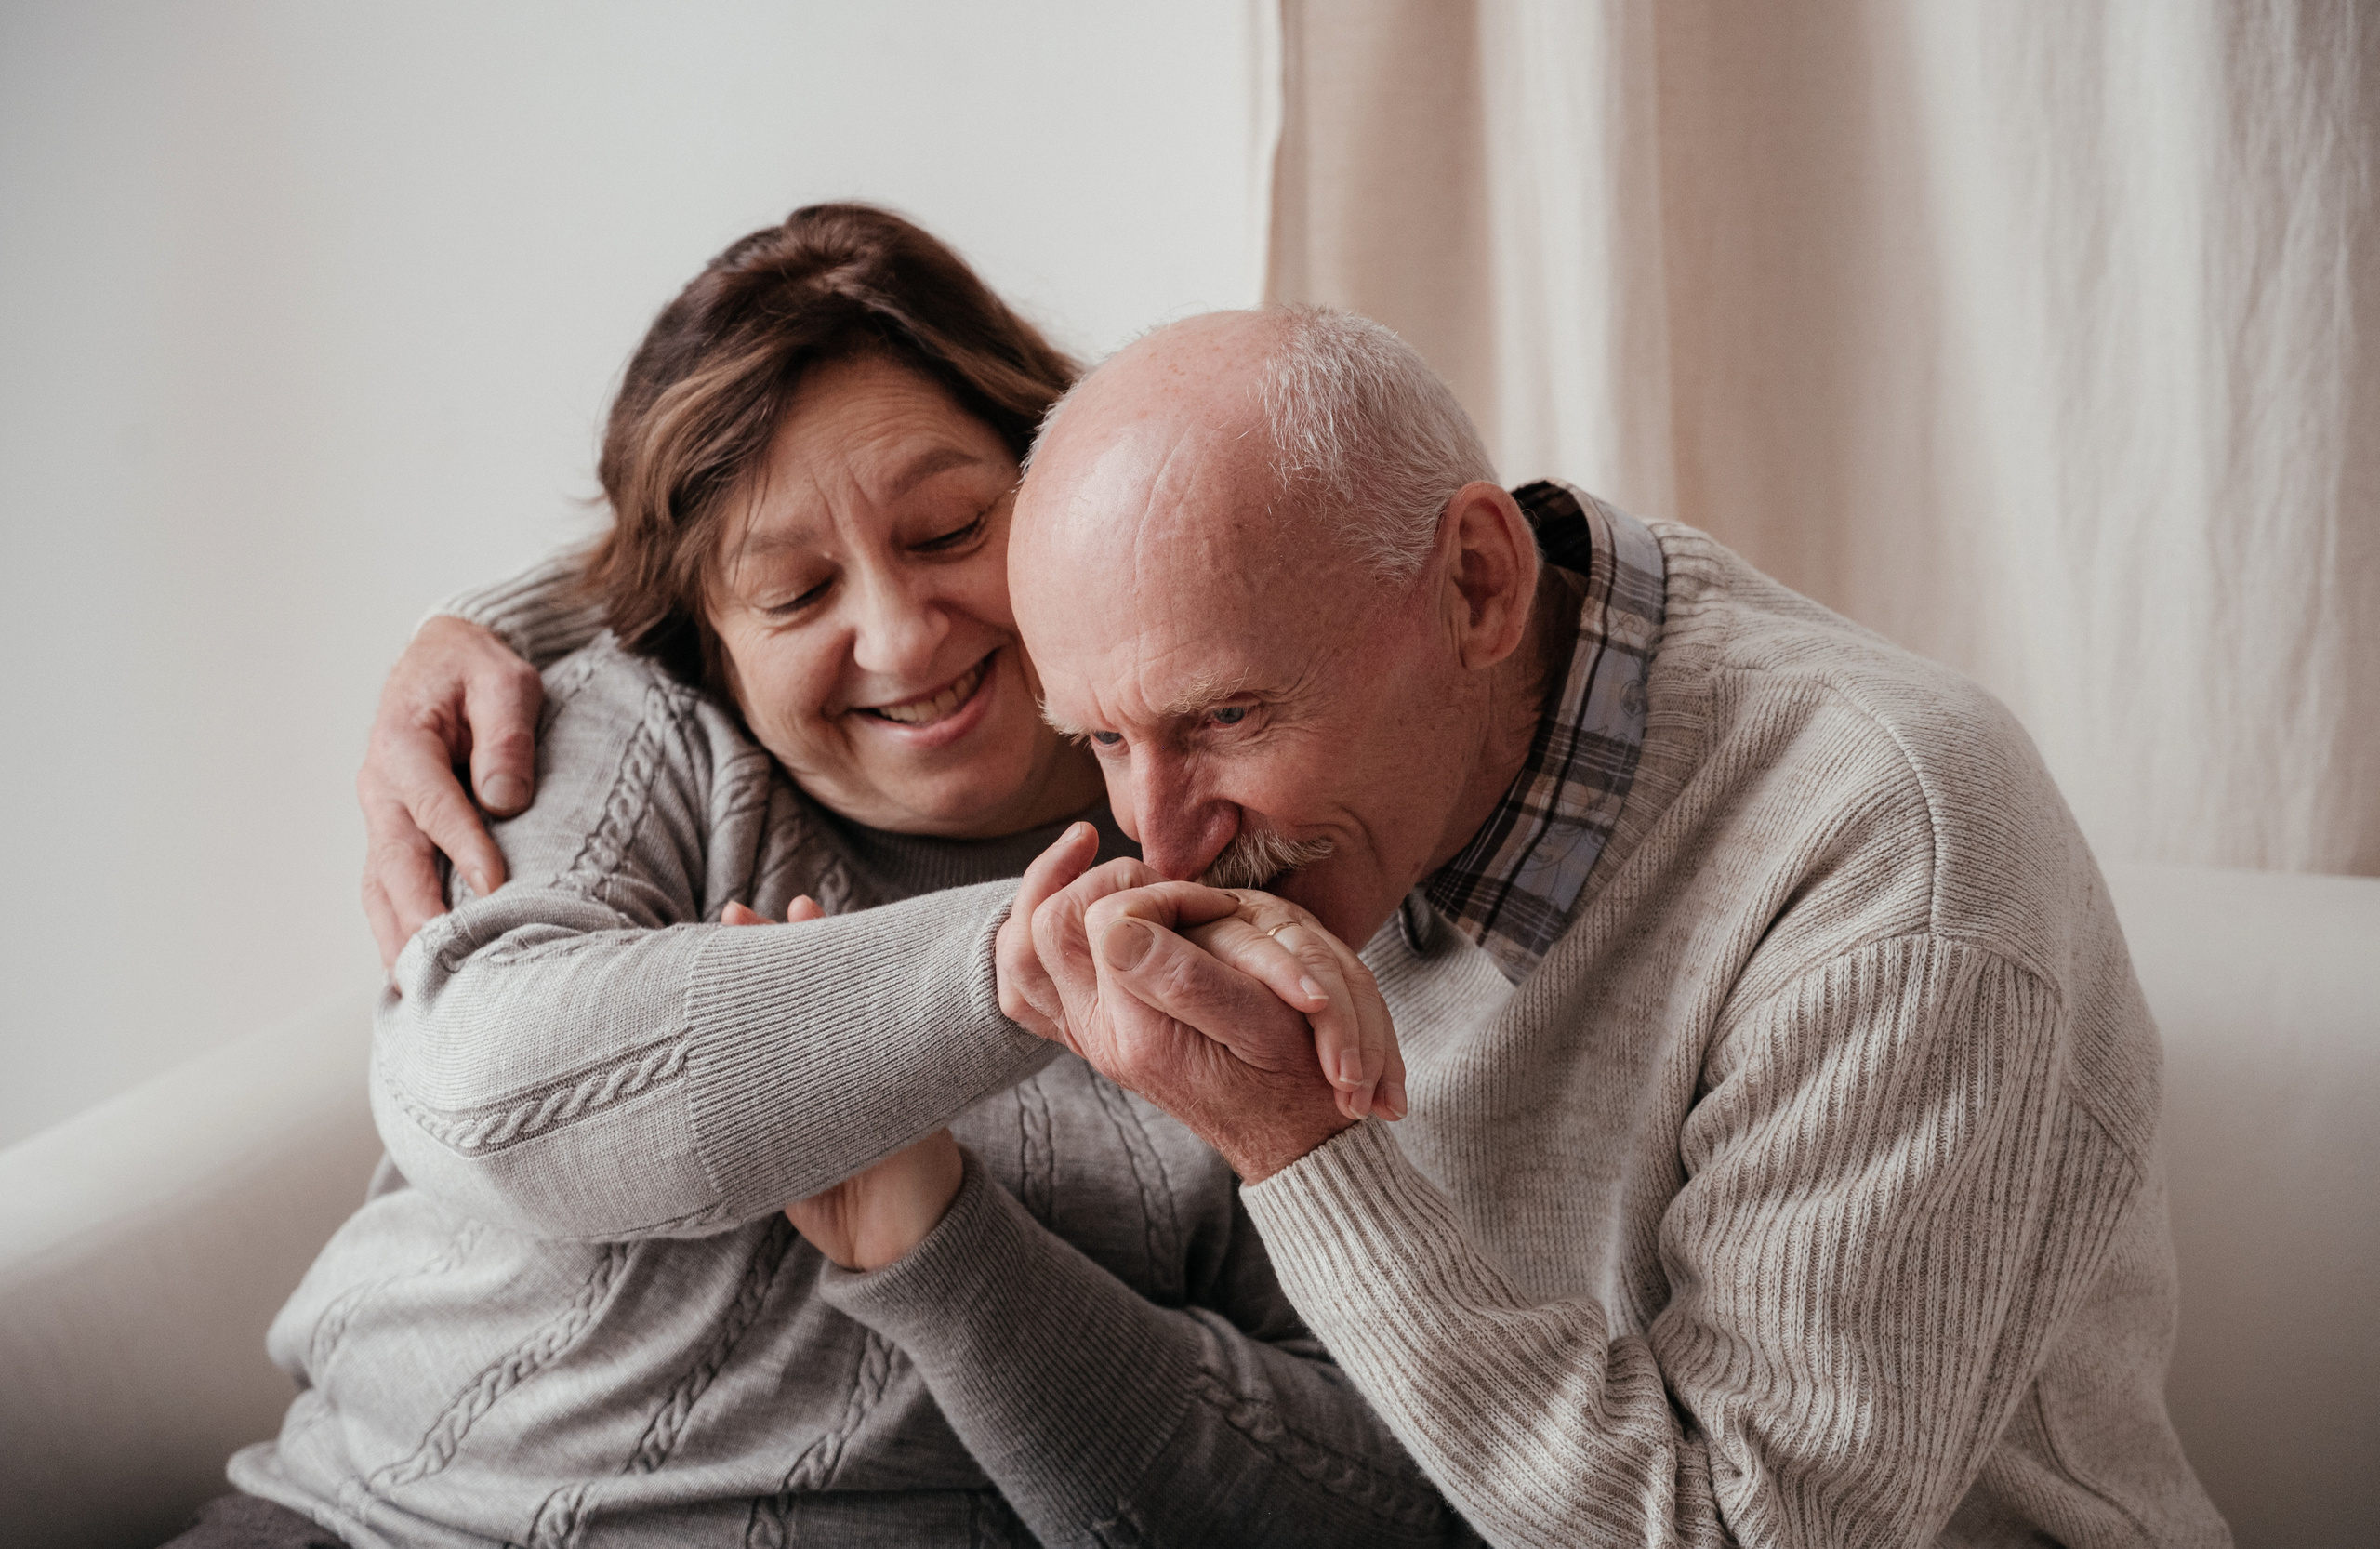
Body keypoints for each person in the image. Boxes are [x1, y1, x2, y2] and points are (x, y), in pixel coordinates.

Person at [373, 302, 2232, 1544]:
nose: (1149, 824)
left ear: (1480, 583)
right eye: (1100, 737)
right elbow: (1087, 480)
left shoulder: (1881, 855)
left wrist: (1295, 1149)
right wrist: (512, 620)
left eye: (1220, 725)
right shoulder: (1333, 632)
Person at [196, 208, 1458, 1549]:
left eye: (951, 528)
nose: (902, 637)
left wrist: (950, 1250)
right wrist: (1021, 963)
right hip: (354, 1522)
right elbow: (481, 1091)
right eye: (796, 596)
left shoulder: (1275, 869)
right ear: (707, 631)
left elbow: (1382, 1502)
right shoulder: (645, 735)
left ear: (1057, 487)